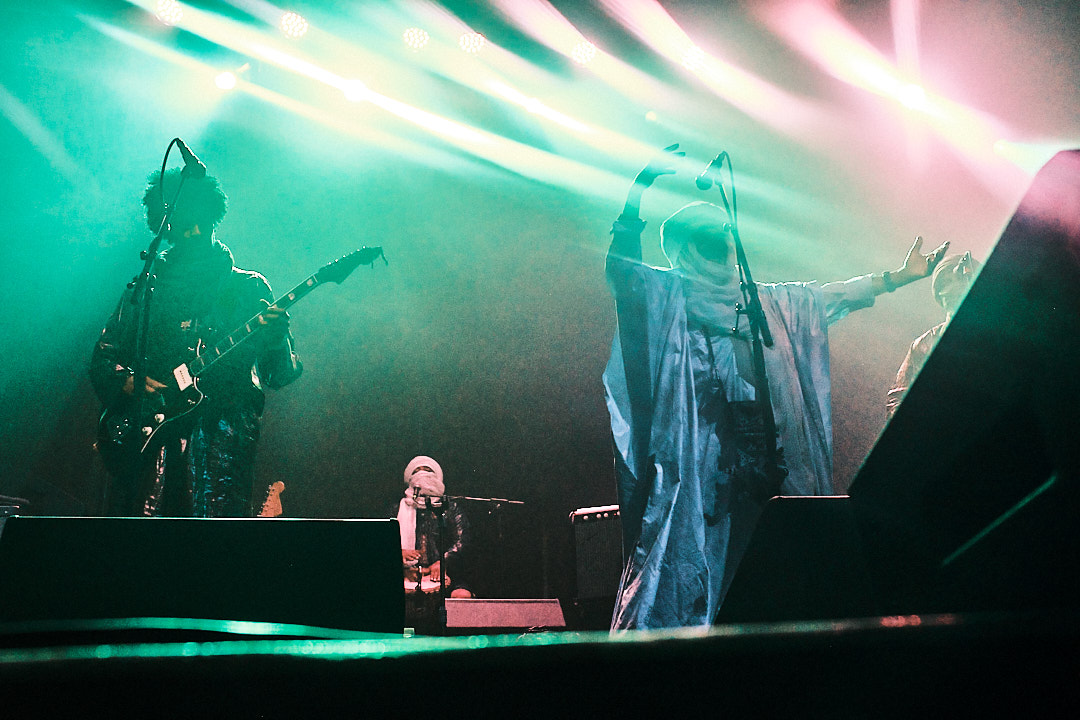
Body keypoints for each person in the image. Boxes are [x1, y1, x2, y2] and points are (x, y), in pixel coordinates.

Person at [603, 144, 948, 630]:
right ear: (683, 248)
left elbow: (827, 296)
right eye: (709, 235)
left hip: (770, 472)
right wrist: (638, 195)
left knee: (780, 579)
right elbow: (623, 276)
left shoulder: (765, 305)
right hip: (704, 481)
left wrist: (898, 278)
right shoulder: (666, 300)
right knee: (704, 584)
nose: (724, 240)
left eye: (725, 231)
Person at [90, 166, 302, 517]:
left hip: (217, 445)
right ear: (167, 226)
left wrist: (277, 338)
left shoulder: (248, 289)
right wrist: (127, 380)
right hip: (148, 443)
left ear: (211, 220)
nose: (193, 233)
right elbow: (104, 353)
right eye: (184, 226)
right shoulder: (149, 286)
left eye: (199, 224)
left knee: (210, 553)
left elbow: (279, 373)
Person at [886, 252, 979, 417]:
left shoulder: (996, 337)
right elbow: (898, 397)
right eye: (941, 285)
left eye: (952, 280)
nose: (945, 291)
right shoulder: (924, 343)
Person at [396, 455, 474, 600]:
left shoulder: (449, 508)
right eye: (417, 471)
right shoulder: (398, 509)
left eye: (427, 470)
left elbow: (462, 541)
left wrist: (443, 562)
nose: (422, 474)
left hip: (445, 571)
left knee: (462, 596)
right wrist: (398, 554)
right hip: (406, 573)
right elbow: (382, 542)